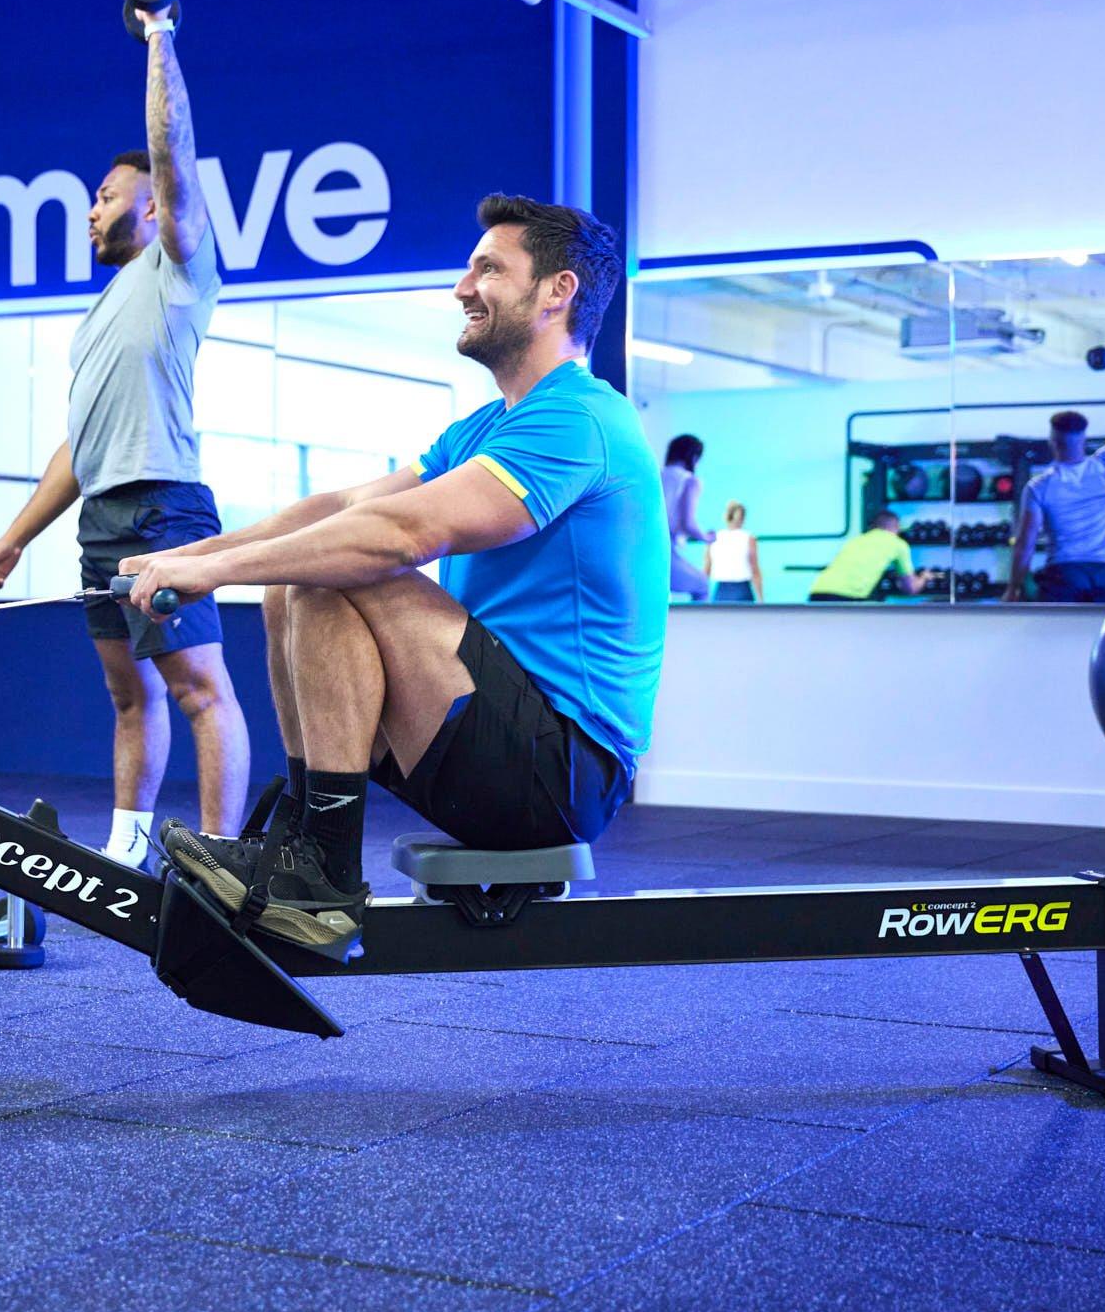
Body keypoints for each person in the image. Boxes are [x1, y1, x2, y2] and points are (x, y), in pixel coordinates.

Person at [127, 195, 665, 960]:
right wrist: (187, 556)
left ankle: (320, 871)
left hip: (564, 771)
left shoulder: (579, 420)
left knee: (337, 567)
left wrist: (209, 571)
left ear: (558, 291)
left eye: (488, 268)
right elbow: (343, 504)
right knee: (302, 570)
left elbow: (404, 532)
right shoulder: (484, 427)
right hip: (488, 733)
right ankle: (307, 842)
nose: (462, 287)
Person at [0, 0, 249, 873]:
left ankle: (217, 858)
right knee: (129, 696)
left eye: (103, 194)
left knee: (199, 690)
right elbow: (78, 450)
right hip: (102, 521)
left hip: (166, 508)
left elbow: (172, 151)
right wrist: (15, 537)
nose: (90, 209)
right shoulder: (101, 312)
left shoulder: (178, 268)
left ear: (155, 205)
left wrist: (158, 36)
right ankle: (128, 848)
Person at [1007, 364, 1105, 603]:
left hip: (1063, 572)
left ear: (1052, 441)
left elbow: (1025, 544)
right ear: (1084, 439)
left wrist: (1014, 588)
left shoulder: (1039, 486)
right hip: (1103, 572)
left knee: (1055, 639)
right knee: (1103, 638)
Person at [809, 511, 919, 601]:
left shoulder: (857, 540)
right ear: (897, 527)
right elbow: (910, 588)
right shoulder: (898, 544)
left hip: (818, 591)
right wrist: (925, 577)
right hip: (846, 596)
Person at [662, 435, 711, 602]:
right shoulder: (689, 481)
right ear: (693, 457)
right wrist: (707, 537)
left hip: (636, 546)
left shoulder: (657, 475)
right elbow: (688, 523)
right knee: (702, 585)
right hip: (664, 548)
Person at [706, 502, 762, 603]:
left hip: (720, 593)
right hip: (742, 591)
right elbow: (755, 570)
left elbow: (706, 570)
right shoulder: (748, 538)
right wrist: (761, 598)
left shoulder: (714, 537)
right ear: (743, 518)